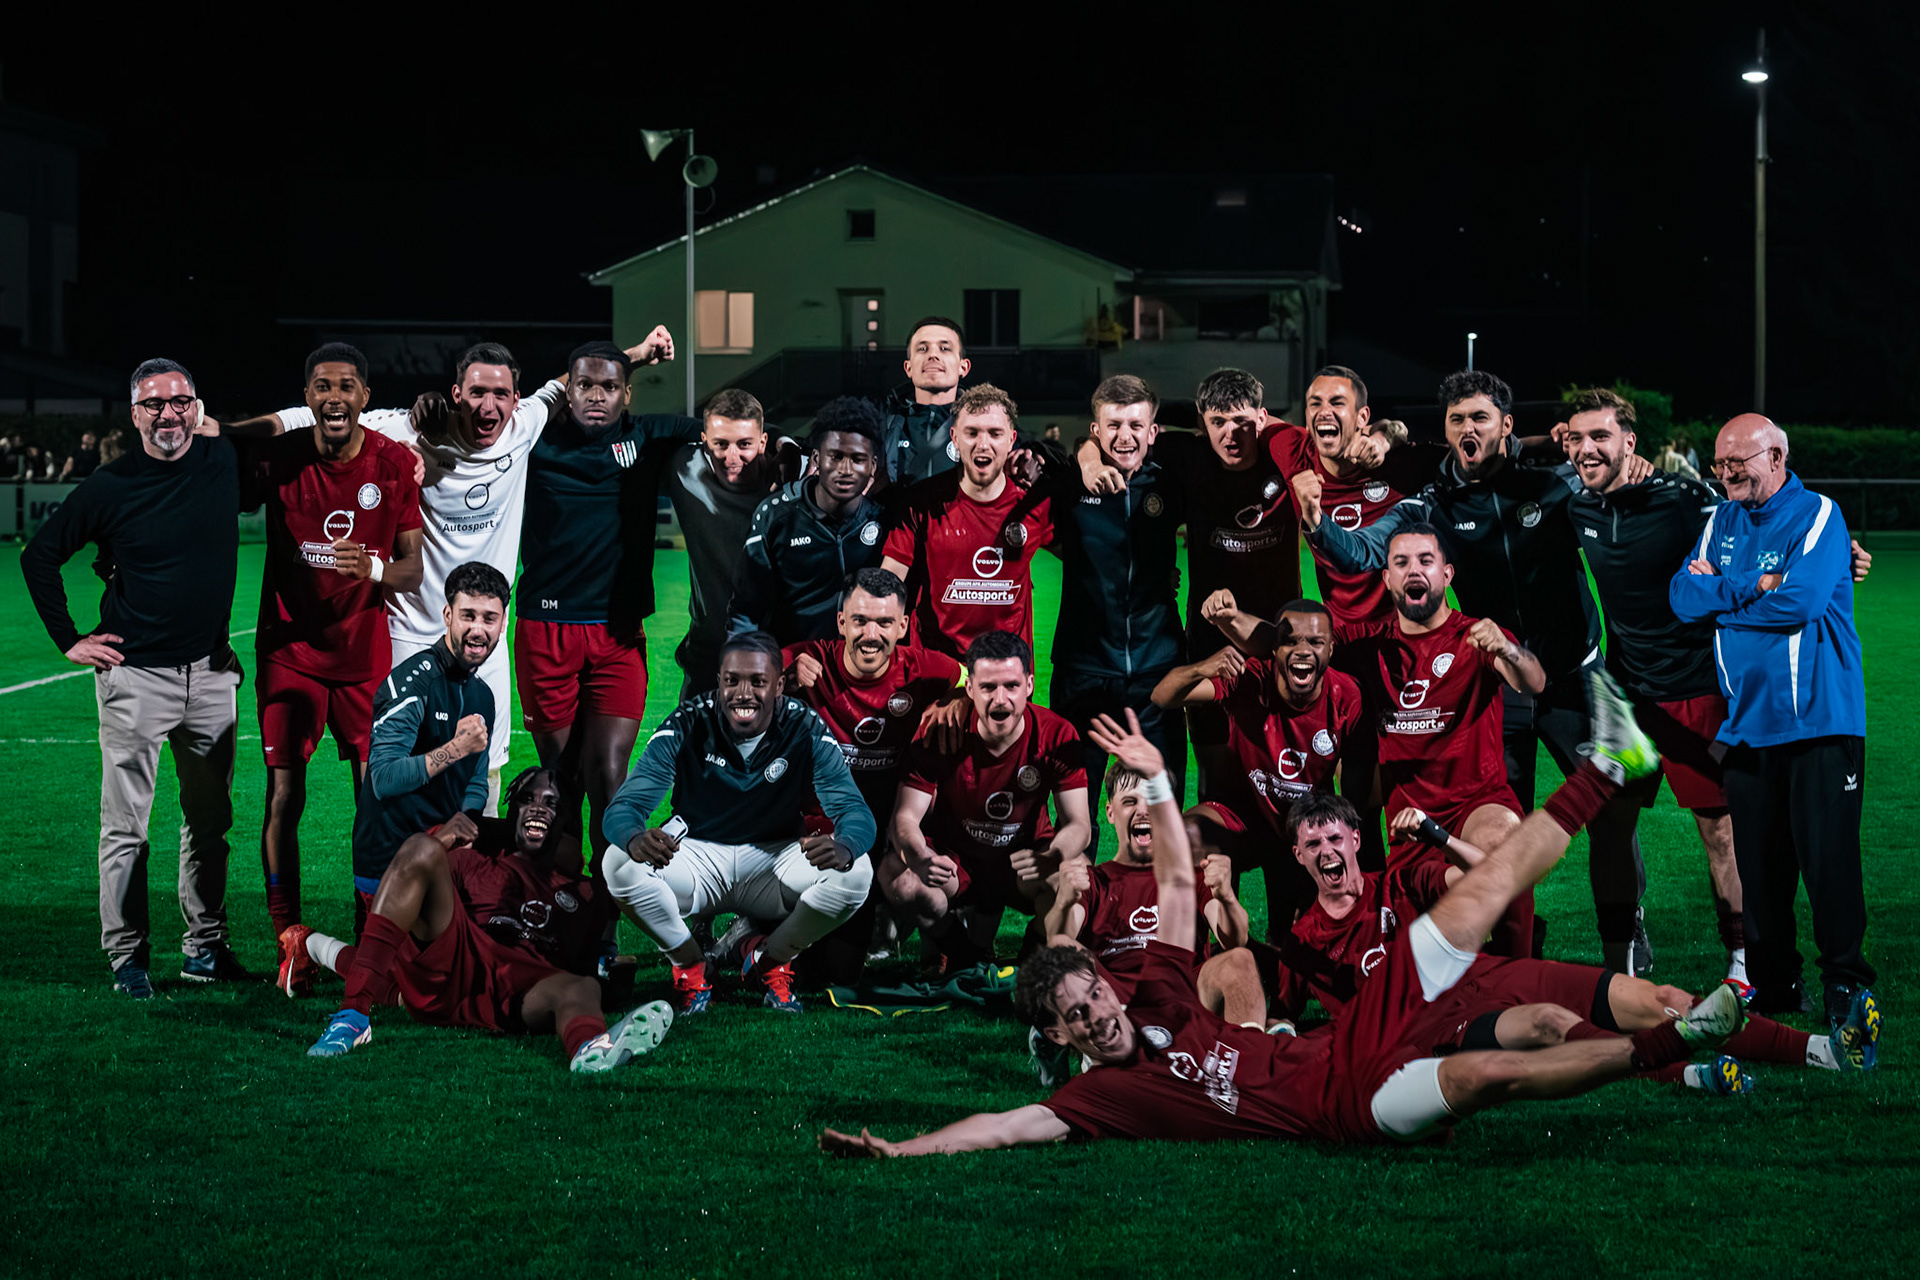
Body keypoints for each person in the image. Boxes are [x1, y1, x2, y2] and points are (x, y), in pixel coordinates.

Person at [818, 699, 1749, 1155]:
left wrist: (1150, 776)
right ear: (1060, 1033)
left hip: (1352, 1039)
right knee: (1490, 1073)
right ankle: (1671, 1044)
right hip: (1339, 1112)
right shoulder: (1094, 1103)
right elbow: (1004, 1127)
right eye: (1078, 1013)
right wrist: (905, 1148)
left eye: (1092, 992)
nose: (1098, 1012)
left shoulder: (1159, 999)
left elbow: (1180, 880)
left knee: (1475, 902)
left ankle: (1610, 763)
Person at [1299, 369, 1653, 972]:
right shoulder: (1433, 501)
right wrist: (1317, 524)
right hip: (1500, 680)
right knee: (1501, 828)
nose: (1468, 428)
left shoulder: (1554, 482)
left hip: (1575, 676)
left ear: (1506, 427)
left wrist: (1629, 467)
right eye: (1457, 419)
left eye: (1480, 418)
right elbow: (1364, 553)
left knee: (1612, 816)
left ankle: (1622, 944)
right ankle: (1507, 955)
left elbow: (1635, 509)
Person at [239, 330, 675, 812]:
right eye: (477, 393)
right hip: (412, 630)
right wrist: (221, 429)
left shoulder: (525, 425)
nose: (489, 406)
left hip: (484, 634)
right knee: (409, 770)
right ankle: (400, 880)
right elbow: (303, 418)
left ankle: (476, 883)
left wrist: (635, 355)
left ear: (516, 398)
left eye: (501, 394)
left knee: (484, 772)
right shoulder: (407, 429)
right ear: (455, 395)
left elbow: (568, 382)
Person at [1267, 790, 1855, 1093]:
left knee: (1659, 998)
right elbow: (1278, 1020)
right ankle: (1691, 1076)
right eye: (1313, 845)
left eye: (1336, 839)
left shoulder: (1396, 880)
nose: (1328, 853)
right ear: (1298, 856)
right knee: (1554, 1027)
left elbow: (1489, 879)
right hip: (1440, 1027)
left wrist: (1438, 834)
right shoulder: (1302, 940)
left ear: (1355, 841)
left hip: (1493, 975)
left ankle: (1824, 1051)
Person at [20, 359, 244, 996]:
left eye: (181, 402)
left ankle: (204, 948)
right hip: (134, 679)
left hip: (211, 675)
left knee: (211, 822)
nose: (169, 414)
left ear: (197, 408)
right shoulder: (109, 486)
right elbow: (40, 556)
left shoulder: (223, 461)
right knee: (127, 829)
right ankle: (128, 959)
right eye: (155, 405)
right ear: (134, 413)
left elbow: (293, 442)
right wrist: (70, 640)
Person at [1670, 414, 1877, 1039]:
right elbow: (1683, 598)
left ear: (1778, 457)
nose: (1728, 473)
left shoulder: (1818, 512)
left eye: (1741, 462)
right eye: (1720, 463)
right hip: (1746, 725)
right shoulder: (1718, 520)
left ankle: (1846, 986)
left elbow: (1804, 601)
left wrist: (1726, 597)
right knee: (1760, 870)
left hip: (1818, 720)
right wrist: (1753, 585)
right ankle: (1776, 987)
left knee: (1828, 862)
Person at [299, 768, 673, 1073]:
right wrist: (443, 839)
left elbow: (593, 966)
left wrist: (613, 978)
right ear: (513, 812)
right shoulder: (474, 862)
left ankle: (591, 1049)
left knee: (580, 988)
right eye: (526, 800)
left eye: (551, 803)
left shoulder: (589, 893)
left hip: (523, 991)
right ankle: (351, 1017)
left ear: (566, 818)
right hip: (457, 966)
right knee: (421, 850)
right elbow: (406, 883)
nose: (537, 809)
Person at [244, 344, 425, 938]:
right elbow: (209, 481)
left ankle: (370, 931)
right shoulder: (280, 461)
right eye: (322, 386)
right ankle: (287, 936)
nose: (334, 397)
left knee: (373, 802)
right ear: (308, 398)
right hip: (288, 653)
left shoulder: (394, 462)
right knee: (283, 795)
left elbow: (412, 571)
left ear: (364, 398)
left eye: (346, 386)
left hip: (362, 657)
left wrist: (370, 571)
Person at [600, 632, 877, 1014]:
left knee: (856, 871)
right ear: (719, 680)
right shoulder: (687, 722)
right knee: (617, 862)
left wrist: (844, 845)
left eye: (758, 682)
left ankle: (769, 960)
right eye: (732, 680)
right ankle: (691, 966)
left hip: (773, 860)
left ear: (780, 686)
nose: (743, 693)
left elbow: (855, 811)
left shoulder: (804, 726)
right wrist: (633, 837)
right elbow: (624, 807)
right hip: (697, 859)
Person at [514, 340, 701, 861]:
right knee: (562, 777)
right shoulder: (536, 439)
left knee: (610, 775)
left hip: (619, 634)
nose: (597, 395)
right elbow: (518, 405)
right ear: (566, 391)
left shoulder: (648, 435)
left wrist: (783, 449)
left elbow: (721, 431)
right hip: (545, 630)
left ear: (627, 394)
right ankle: (559, 907)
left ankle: (603, 924)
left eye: (610, 386)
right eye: (585, 385)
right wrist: (635, 353)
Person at [294, 560, 511, 992]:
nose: (478, 630)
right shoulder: (412, 682)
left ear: (504, 621)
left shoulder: (482, 693)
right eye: (468, 615)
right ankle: (309, 945)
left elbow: (473, 779)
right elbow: (384, 778)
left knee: (474, 966)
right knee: (408, 990)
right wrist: (454, 749)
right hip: (391, 861)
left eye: (490, 618)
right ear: (447, 615)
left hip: (441, 851)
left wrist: (466, 820)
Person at [782, 568, 968, 982]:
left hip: (887, 827)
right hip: (820, 830)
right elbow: (742, 673)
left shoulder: (923, 668)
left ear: (903, 626)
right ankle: (756, 934)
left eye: (885, 622)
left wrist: (954, 700)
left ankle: (953, 948)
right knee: (821, 971)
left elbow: (971, 678)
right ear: (841, 622)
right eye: (861, 620)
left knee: (842, 970)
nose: (871, 634)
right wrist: (783, 675)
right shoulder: (808, 660)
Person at [878, 631, 1092, 969]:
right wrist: (919, 856)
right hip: (956, 861)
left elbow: (1079, 824)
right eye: (989, 687)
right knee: (896, 874)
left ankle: (1033, 959)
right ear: (970, 688)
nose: (1001, 700)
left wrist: (1053, 857)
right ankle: (962, 953)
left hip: (1022, 862)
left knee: (1075, 878)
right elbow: (905, 818)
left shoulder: (1057, 733)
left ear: (1030, 685)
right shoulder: (941, 731)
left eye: (1011, 686)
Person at [1152, 598, 1364, 926]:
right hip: (1243, 815)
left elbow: (1359, 792)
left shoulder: (1347, 696)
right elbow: (1163, 696)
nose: (1303, 651)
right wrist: (1201, 668)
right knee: (1181, 838)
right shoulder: (1251, 679)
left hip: (1303, 826)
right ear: (1274, 649)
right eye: (1290, 641)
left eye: (1315, 642)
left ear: (1331, 649)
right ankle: (1190, 959)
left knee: (1293, 936)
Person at [1042, 375, 1188, 797]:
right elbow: (1036, 456)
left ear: (1153, 431)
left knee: (1163, 804)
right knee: (1075, 810)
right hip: (1082, 673)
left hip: (1156, 672)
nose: (1125, 436)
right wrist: (1085, 459)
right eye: (1113, 426)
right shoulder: (1069, 483)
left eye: (1136, 426)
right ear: (1095, 430)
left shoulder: (1170, 482)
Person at [1041, 761, 1259, 1026]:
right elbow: (1058, 937)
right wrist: (1063, 902)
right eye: (1130, 802)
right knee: (1063, 948)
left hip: (1185, 998)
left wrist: (1226, 896)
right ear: (1110, 813)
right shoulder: (1093, 881)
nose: (1143, 811)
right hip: (1114, 1002)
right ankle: (1122, 1030)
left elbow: (1235, 939)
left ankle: (1247, 1059)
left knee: (1240, 960)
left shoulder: (1192, 877)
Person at [881, 384, 1053, 660]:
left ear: (1012, 440)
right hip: (936, 672)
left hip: (1006, 675)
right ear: (954, 438)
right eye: (971, 432)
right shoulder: (922, 501)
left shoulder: (1034, 504)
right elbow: (889, 580)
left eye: (995, 433)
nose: (982, 444)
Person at [663, 388, 797, 700]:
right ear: (703, 441)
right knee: (694, 744)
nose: (731, 457)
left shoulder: (796, 476)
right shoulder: (686, 469)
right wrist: (784, 438)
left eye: (745, 444)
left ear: (762, 443)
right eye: (720, 444)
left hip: (782, 646)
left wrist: (788, 445)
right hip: (708, 647)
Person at [730, 396, 891, 644]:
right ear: (816, 459)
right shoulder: (776, 516)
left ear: (872, 466)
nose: (845, 470)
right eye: (835, 456)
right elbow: (745, 608)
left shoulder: (883, 521)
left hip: (858, 670)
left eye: (857, 459)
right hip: (791, 666)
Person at [879, 317, 969, 486]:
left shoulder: (985, 421)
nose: (933, 355)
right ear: (908, 368)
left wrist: (1033, 452)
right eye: (922, 349)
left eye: (944, 348)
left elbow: (1023, 454)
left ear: (963, 367)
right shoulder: (883, 422)